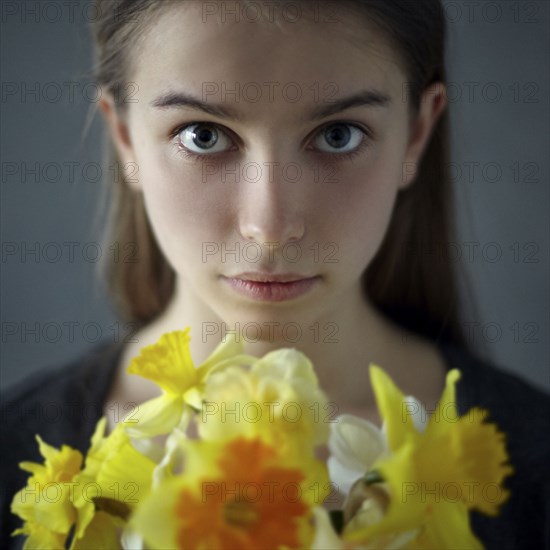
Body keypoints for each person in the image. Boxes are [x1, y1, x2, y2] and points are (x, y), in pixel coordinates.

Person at [1, 1, 548, 548]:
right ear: (125, 138)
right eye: (202, 136)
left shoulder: (535, 472)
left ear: (416, 134)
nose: (270, 226)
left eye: (339, 135)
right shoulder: (12, 455)